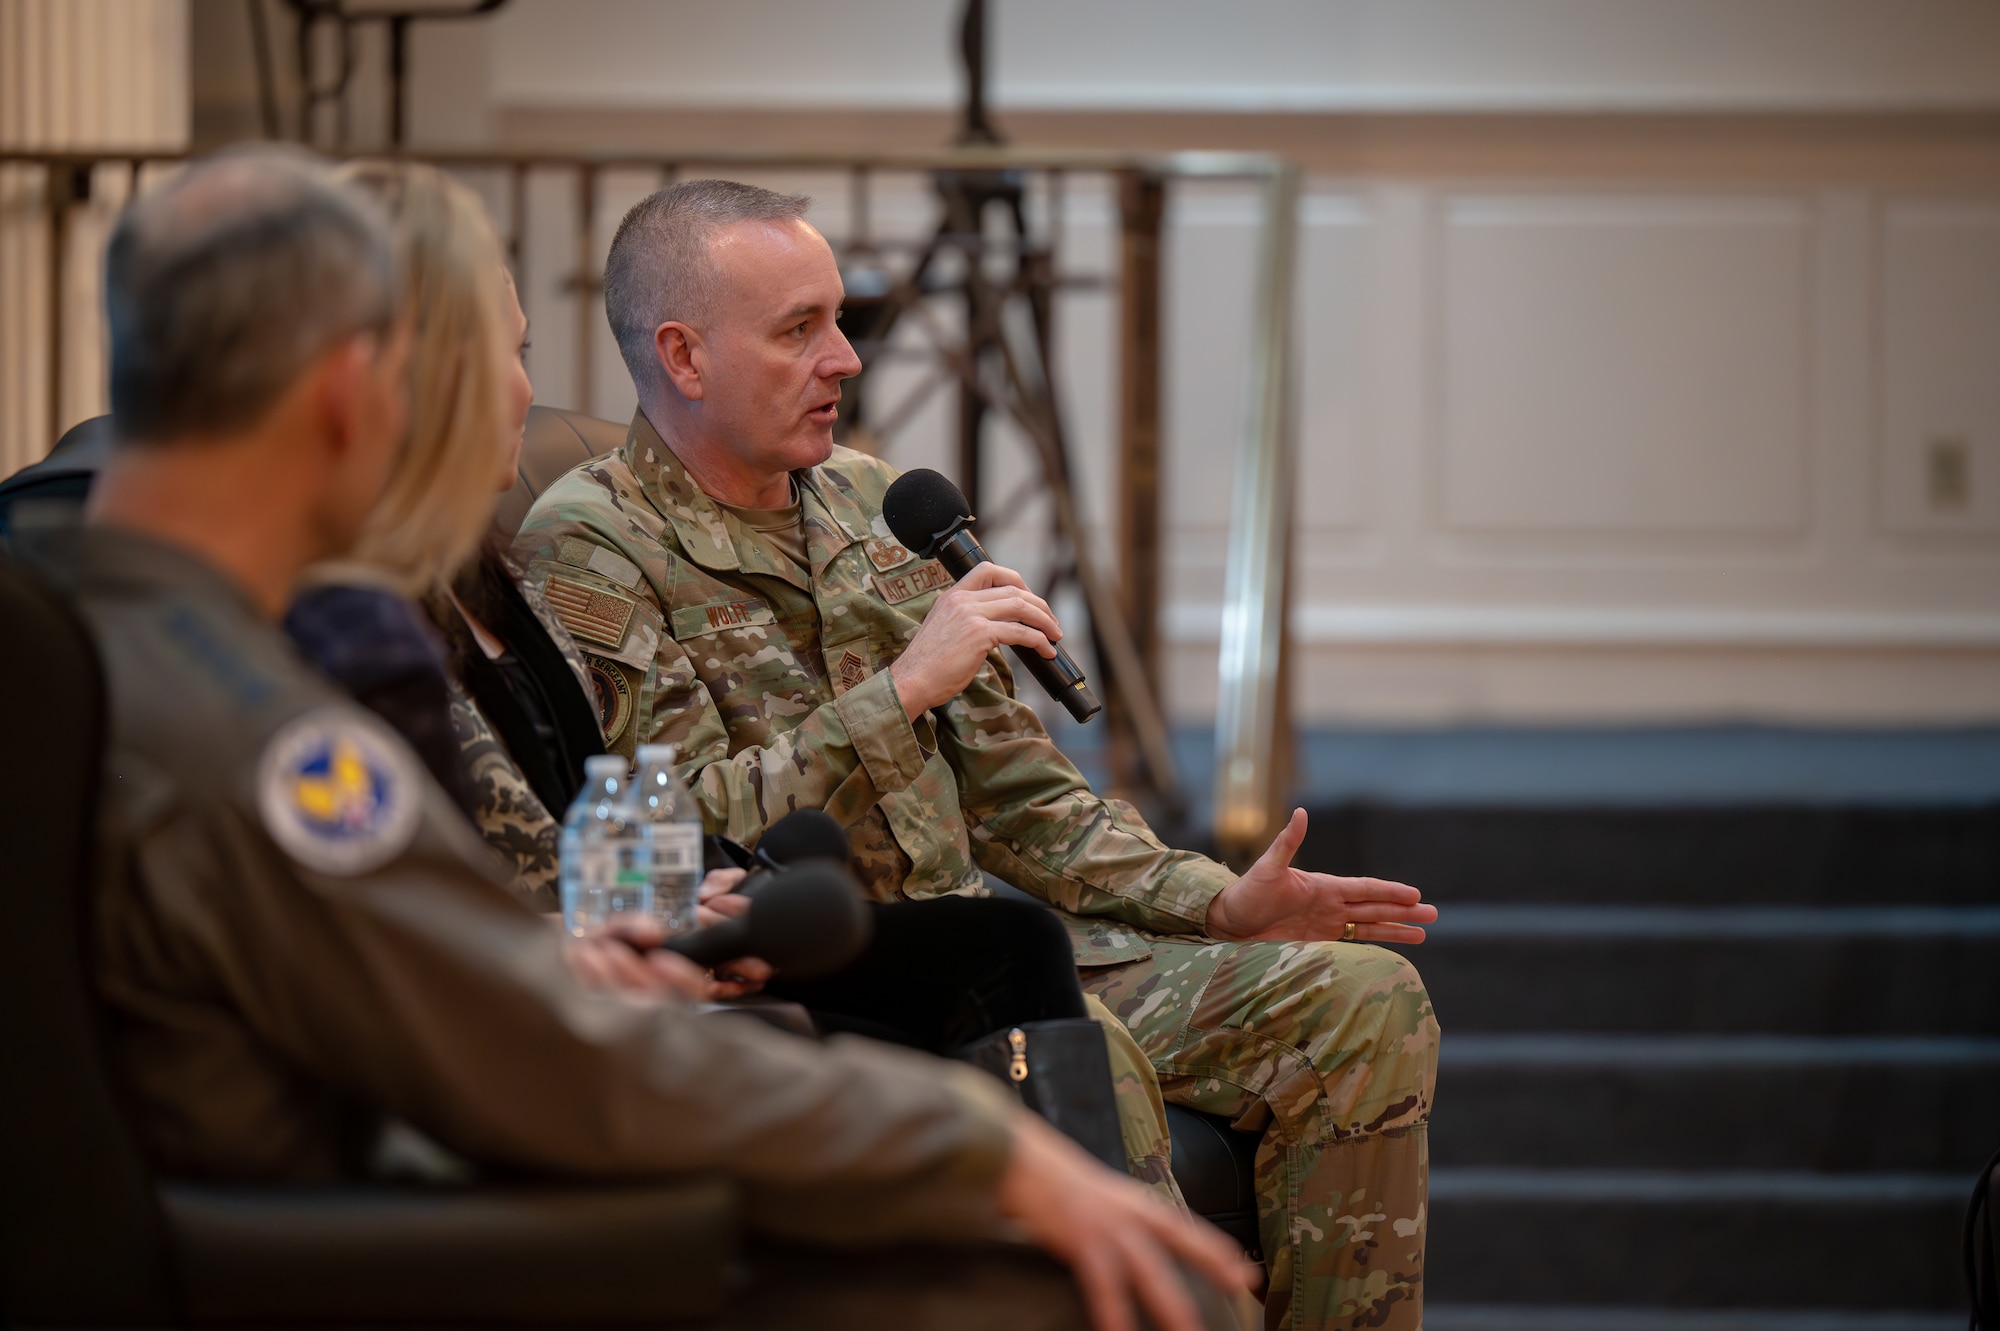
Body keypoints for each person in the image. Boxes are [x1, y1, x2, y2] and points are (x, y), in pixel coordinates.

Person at [21, 146, 1253, 1331]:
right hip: (388, 1236)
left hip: (353, 1190)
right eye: (497, 359)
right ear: (358, 389)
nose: (521, 395)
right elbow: (537, 1044)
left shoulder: (98, 628)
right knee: (1134, 1289)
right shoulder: (263, 723)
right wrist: (973, 1149)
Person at [511, 179, 1441, 1331]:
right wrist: (900, 688)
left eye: (838, 318)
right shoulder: (590, 540)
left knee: (1364, 1001)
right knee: (1076, 1037)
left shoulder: (870, 501)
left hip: (995, 940)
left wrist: (1215, 902)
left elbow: (1027, 802)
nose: (844, 359)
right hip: (838, 976)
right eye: (798, 329)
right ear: (684, 356)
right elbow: (678, 824)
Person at [263, 163, 1173, 1180]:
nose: (528, 387)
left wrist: (682, 897)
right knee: (997, 991)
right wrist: (617, 937)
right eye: (500, 355)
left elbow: (599, 819)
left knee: (1010, 948)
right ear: (382, 380)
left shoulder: (471, 580)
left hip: (649, 956)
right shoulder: (366, 620)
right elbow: (404, 928)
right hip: (557, 1033)